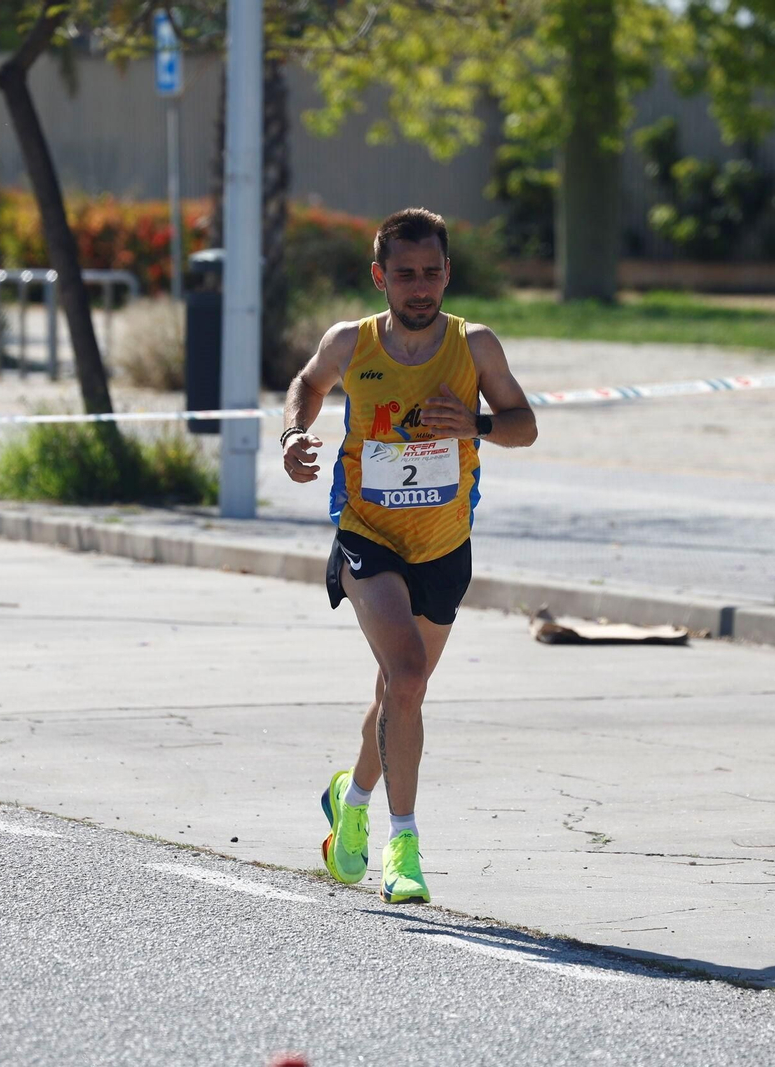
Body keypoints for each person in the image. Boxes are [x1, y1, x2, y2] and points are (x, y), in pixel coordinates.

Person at [280, 207, 537, 903]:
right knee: (410, 675)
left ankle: (351, 800)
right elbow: (305, 385)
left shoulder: (475, 345)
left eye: (431, 274)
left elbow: (525, 425)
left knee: (399, 692)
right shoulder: (351, 343)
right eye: (405, 276)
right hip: (368, 533)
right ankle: (404, 843)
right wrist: (292, 437)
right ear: (380, 278)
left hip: (446, 544)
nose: (420, 289)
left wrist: (478, 422)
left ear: (448, 273)